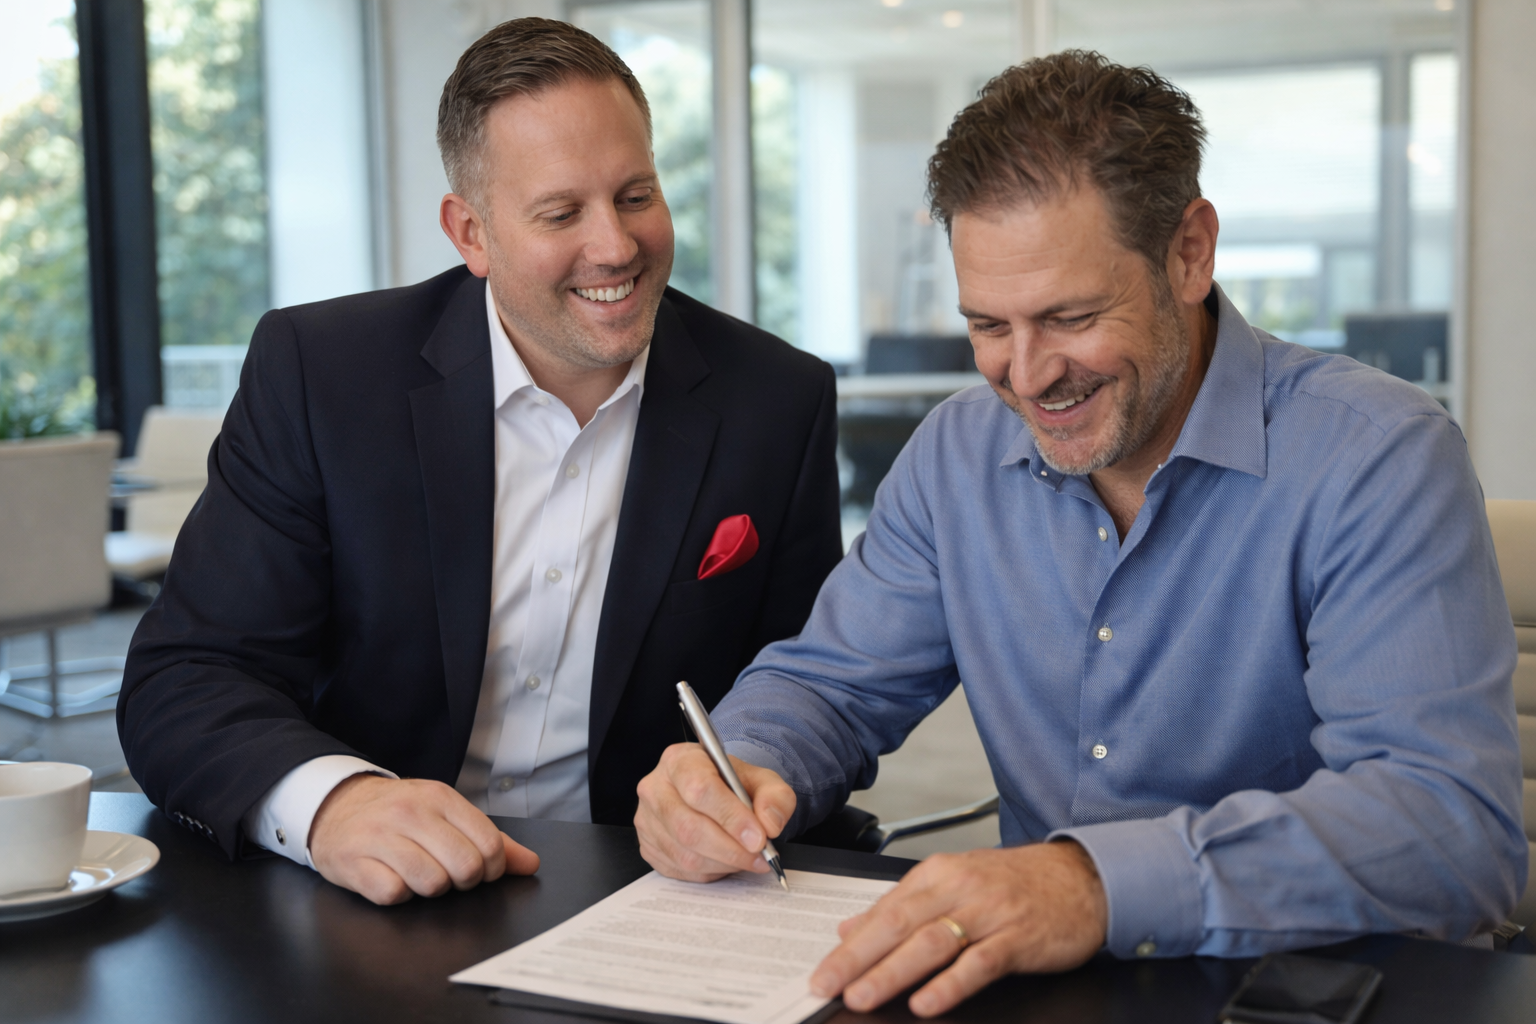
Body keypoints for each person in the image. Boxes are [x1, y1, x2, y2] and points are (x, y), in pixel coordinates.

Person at [634, 50, 1525, 1016]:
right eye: (987, 324)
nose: (1024, 376)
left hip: (1320, 989)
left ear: (1190, 252)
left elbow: (1448, 828)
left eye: (1070, 316)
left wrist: (1093, 885)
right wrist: (744, 766)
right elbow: (832, 685)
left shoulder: (1377, 457)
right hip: (1055, 990)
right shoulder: (957, 456)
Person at [118, 19, 842, 907]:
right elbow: (184, 679)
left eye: (635, 194)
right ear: (472, 233)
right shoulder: (321, 372)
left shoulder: (778, 399)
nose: (615, 246)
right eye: (561, 213)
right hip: (363, 900)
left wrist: (751, 787)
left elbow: (811, 687)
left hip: (652, 894)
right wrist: (333, 804)